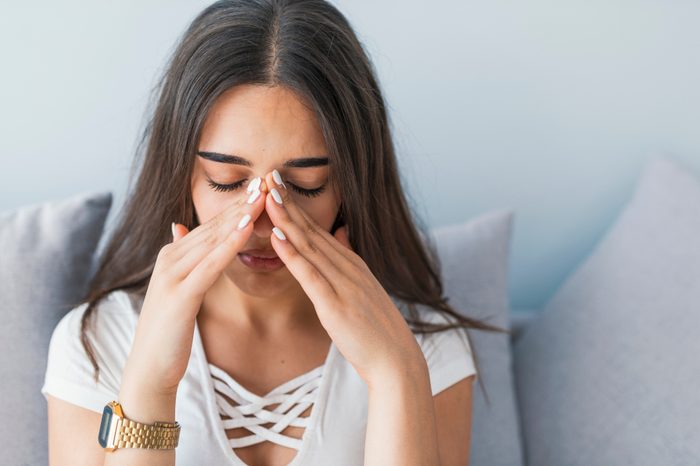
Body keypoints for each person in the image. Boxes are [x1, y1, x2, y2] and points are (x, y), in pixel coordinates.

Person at [42, 1, 509, 465]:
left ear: (351, 182)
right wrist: (149, 383)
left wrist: (397, 376)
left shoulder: (424, 351)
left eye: (305, 185)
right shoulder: (98, 341)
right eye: (227, 180)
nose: (262, 221)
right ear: (182, 172)